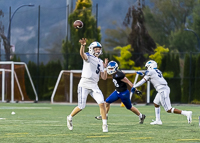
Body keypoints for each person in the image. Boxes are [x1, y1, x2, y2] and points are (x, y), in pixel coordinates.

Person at [67, 38, 109, 132]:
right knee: (81, 106)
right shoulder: (89, 56)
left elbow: (104, 77)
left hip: (94, 85)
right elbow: (82, 54)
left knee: (102, 103)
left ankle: (104, 125)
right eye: (96, 49)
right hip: (84, 84)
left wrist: (105, 68)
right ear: (91, 49)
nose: (98, 50)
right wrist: (82, 46)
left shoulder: (100, 62)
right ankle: (69, 117)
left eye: (99, 49)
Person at [132, 60, 192, 125]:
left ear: (150, 66)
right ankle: (158, 120)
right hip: (163, 89)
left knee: (168, 109)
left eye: (147, 67)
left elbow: (143, 81)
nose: (147, 68)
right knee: (156, 103)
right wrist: (143, 74)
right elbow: (151, 78)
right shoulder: (157, 71)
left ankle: (186, 113)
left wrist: (134, 86)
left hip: (162, 90)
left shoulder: (151, 71)